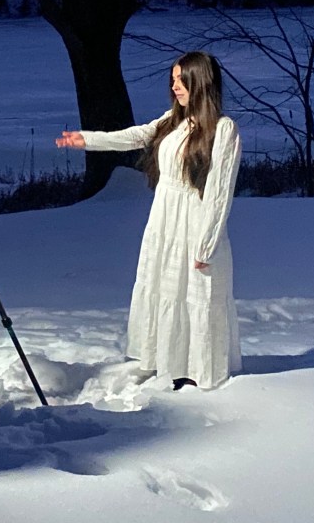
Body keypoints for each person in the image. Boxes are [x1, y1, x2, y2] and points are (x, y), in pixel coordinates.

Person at [57, 51, 242, 390]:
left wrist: (206, 245)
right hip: (164, 219)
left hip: (194, 223)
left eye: (181, 80)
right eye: (172, 80)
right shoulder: (174, 121)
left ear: (200, 81)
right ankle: (169, 363)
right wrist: (87, 139)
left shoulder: (223, 129)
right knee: (166, 288)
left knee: (194, 293)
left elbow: (219, 193)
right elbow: (134, 136)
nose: (175, 87)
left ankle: (197, 371)